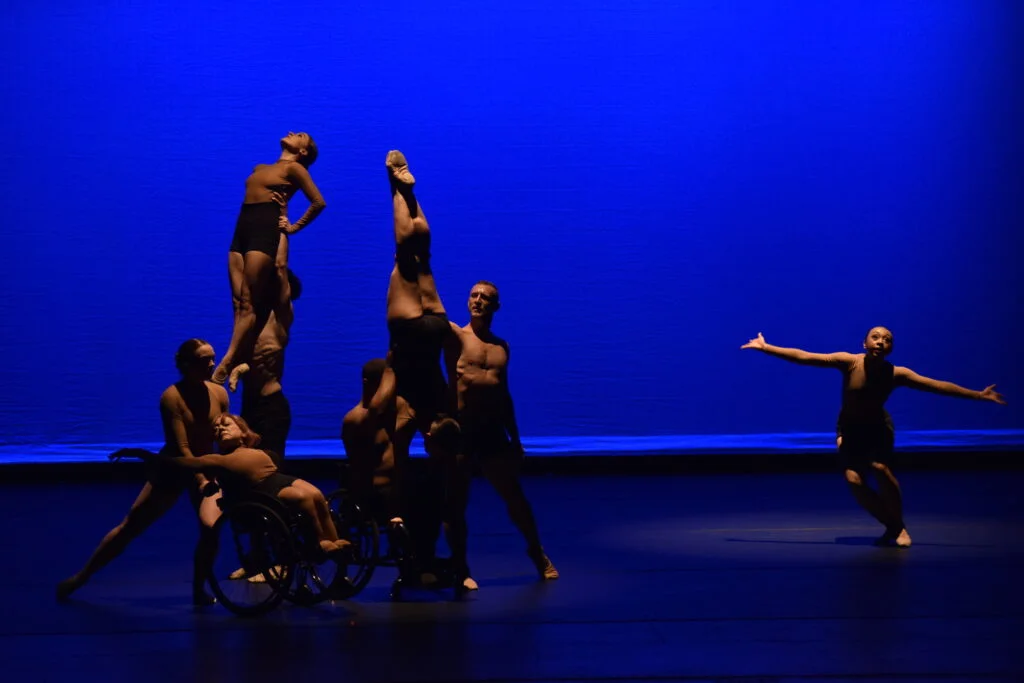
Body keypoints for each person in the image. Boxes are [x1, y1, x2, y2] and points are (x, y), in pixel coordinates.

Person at [741, 327, 1006, 547]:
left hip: (878, 428)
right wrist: (767, 347)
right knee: (854, 480)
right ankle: (893, 526)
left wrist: (978, 395)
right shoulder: (849, 362)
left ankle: (898, 527)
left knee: (880, 468)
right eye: (876, 337)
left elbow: (936, 386)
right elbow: (806, 357)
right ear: (865, 343)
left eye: (887, 339)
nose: (881, 341)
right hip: (850, 428)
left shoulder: (897, 374)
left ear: (891, 347)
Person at [57, 339, 229, 605]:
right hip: (175, 467)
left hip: (205, 466)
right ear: (186, 364)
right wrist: (199, 478)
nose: (211, 364)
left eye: (212, 358)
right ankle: (82, 577)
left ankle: (198, 590)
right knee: (132, 525)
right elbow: (182, 447)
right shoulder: (172, 397)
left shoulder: (218, 394)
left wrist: (223, 467)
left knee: (211, 531)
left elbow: (224, 433)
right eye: (204, 360)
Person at [382, 151, 471, 589]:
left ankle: (397, 188)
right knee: (418, 255)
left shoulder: (406, 408)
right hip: (431, 335)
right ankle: (403, 191)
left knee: (410, 254)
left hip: (418, 338)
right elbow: (454, 354)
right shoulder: (433, 408)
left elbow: (394, 461)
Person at [447, 281, 558, 580]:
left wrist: (516, 438)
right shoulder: (455, 336)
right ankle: (460, 568)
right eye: (473, 295)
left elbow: (503, 395)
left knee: (514, 495)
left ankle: (537, 552)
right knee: (456, 501)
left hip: (492, 429)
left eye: (485, 297)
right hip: (462, 429)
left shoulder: (501, 347)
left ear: (495, 306)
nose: (478, 300)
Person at [125, 414, 350, 554]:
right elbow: (183, 462)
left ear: (243, 431)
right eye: (216, 430)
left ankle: (335, 541)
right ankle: (319, 544)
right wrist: (145, 455)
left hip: (278, 480)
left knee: (316, 494)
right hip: (259, 493)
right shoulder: (218, 460)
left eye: (226, 425)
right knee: (302, 499)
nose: (220, 429)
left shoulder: (259, 451)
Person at [213, 132, 325, 384]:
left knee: (248, 300)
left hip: (265, 228)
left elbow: (318, 202)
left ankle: (229, 359)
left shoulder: (294, 169)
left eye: (300, 135)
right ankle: (241, 356)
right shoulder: (261, 168)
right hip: (243, 226)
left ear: (303, 151)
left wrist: (293, 226)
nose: (292, 133)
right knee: (237, 300)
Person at [228, 265, 302, 465]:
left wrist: (278, 245)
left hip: (271, 405)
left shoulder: (280, 317)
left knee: (269, 465)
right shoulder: (245, 317)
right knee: (245, 463)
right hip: (249, 402)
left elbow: (280, 269)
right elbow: (237, 282)